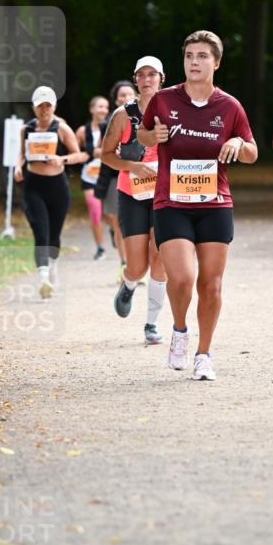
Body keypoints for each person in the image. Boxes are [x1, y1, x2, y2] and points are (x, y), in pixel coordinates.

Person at [138, 30, 258, 380]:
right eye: (190, 55)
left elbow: (252, 152)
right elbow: (144, 134)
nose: (194, 61)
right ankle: (179, 331)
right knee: (182, 277)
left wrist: (237, 141)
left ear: (216, 63)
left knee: (212, 285)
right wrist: (153, 137)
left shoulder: (230, 106)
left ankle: (204, 354)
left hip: (215, 203)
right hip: (171, 202)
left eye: (202, 56)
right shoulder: (163, 99)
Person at [101, 56, 167, 345]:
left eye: (153, 74)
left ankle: (151, 324)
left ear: (162, 78)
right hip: (132, 194)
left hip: (166, 194)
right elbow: (106, 154)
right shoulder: (122, 115)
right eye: (142, 75)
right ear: (135, 80)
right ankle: (128, 285)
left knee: (160, 258)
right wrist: (132, 166)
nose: (147, 79)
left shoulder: (174, 110)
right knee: (138, 266)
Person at [14, 86, 85, 298]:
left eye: (48, 105)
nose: (44, 110)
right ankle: (43, 278)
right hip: (33, 186)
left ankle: (52, 267)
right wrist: (18, 166)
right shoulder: (26, 129)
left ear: (54, 106)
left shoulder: (61, 128)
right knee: (40, 232)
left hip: (57, 187)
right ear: (34, 107)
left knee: (54, 235)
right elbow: (21, 154)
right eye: (40, 106)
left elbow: (78, 155)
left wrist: (61, 159)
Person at [95, 80, 137, 281]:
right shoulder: (107, 123)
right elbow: (101, 150)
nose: (126, 98)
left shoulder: (146, 119)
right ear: (116, 99)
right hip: (114, 177)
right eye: (122, 95)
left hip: (142, 175)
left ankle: (137, 264)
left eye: (130, 94)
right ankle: (124, 263)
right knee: (119, 223)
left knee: (141, 224)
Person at [75, 95, 110, 261]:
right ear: (92, 109)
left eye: (106, 107)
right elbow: (74, 152)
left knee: (111, 215)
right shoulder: (83, 131)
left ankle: (112, 228)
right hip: (89, 177)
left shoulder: (113, 128)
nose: (103, 110)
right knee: (95, 210)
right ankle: (100, 247)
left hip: (108, 176)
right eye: (100, 106)